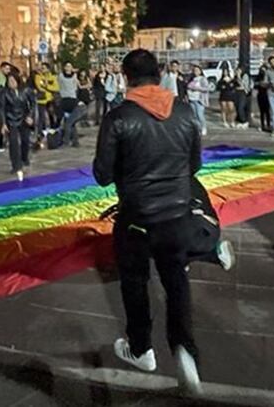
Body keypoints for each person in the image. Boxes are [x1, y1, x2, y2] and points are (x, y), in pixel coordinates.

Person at [94, 49, 205, 393]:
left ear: (126, 77)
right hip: (177, 215)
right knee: (176, 282)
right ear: (158, 74)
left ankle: (142, 348)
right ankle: (185, 349)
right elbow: (194, 166)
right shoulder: (185, 112)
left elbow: (102, 174)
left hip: (136, 217)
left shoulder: (119, 117)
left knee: (134, 282)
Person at [0, 70, 37, 180]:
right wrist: (3, 123)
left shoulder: (26, 90)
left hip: (24, 118)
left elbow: (33, 103)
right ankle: (16, 165)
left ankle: (24, 158)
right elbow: (2, 108)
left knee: (25, 140)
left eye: (13, 80)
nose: (11, 83)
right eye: (9, 81)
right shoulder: (5, 93)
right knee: (14, 143)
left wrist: (30, 116)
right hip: (11, 120)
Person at [58, 62, 88, 147]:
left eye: (70, 66)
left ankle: (66, 142)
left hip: (76, 104)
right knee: (71, 123)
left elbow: (76, 87)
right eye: (66, 66)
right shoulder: (61, 76)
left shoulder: (74, 76)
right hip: (70, 102)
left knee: (68, 123)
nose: (68, 68)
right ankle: (75, 142)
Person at [185, 64, 211, 137]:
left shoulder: (203, 79)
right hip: (191, 99)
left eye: (197, 70)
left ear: (200, 71)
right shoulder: (191, 79)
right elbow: (187, 87)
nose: (196, 72)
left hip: (199, 99)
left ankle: (204, 127)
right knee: (194, 115)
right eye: (194, 70)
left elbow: (207, 88)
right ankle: (198, 129)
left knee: (200, 115)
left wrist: (197, 88)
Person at [34, 62, 60, 131]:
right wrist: (48, 86)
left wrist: (47, 86)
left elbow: (56, 88)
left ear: (48, 69)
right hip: (41, 100)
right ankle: (41, 133)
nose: (42, 69)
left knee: (52, 116)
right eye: (41, 68)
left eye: (44, 68)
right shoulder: (38, 76)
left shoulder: (53, 77)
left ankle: (53, 131)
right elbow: (39, 87)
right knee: (41, 117)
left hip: (50, 100)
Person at [255, 63, 272, 132]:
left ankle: (268, 125)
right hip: (260, 94)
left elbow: (269, 84)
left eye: (264, 69)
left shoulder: (269, 76)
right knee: (262, 111)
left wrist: (264, 84)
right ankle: (262, 125)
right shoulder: (258, 77)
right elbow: (255, 85)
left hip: (267, 94)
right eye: (261, 69)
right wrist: (260, 83)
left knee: (267, 111)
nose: (263, 71)